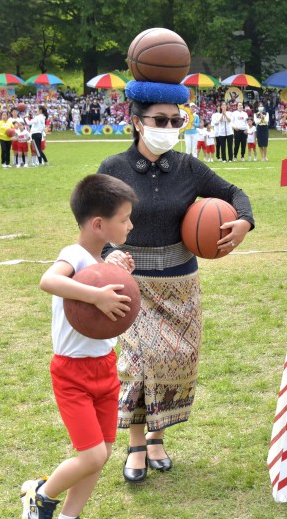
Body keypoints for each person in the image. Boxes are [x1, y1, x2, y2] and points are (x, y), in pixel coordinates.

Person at [97, 78, 254, 485]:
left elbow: (236, 193)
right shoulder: (113, 169)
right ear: (136, 121)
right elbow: (96, 224)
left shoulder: (187, 166)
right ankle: (135, 446)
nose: (168, 126)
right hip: (131, 284)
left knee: (172, 364)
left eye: (175, 120)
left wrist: (244, 222)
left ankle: (156, 438)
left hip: (182, 283)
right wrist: (106, 254)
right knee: (136, 365)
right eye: (160, 120)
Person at [20, 174, 137, 519]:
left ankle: (69, 516)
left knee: (102, 452)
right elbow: (49, 280)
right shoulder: (72, 254)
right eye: (124, 219)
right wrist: (97, 295)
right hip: (72, 372)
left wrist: (117, 273)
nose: (131, 225)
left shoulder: (102, 259)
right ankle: (39, 494)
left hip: (105, 366)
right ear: (99, 223)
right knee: (92, 455)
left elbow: (107, 288)